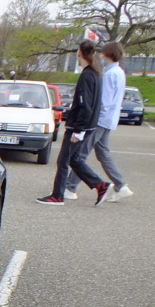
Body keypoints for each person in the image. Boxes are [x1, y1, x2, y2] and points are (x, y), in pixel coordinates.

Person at [37, 39, 110, 206]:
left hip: (79, 127)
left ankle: (57, 196)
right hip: (88, 125)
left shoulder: (86, 76)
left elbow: (86, 106)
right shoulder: (96, 74)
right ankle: (100, 185)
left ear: (79, 53)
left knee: (63, 161)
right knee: (75, 159)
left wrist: (78, 130)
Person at [64, 41, 132, 201]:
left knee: (80, 154)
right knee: (103, 154)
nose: (100, 56)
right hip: (109, 120)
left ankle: (70, 187)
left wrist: (92, 119)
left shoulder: (109, 75)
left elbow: (105, 101)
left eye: (102, 53)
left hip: (100, 121)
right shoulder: (119, 72)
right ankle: (120, 185)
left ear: (107, 54)